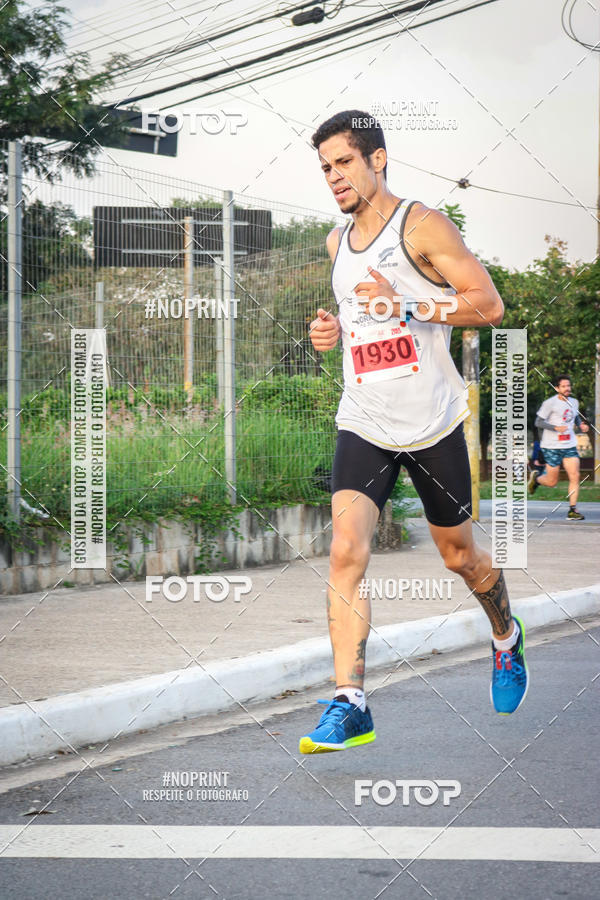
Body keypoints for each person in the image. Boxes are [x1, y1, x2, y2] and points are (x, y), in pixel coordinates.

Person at [299, 110, 528, 755]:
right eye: (324, 168)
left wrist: (401, 303)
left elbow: (487, 305)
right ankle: (351, 702)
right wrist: (333, 334)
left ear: (378, 160)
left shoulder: (422, 225)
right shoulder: (335, 243)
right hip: (365, 420)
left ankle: (505, 636)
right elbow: (359, 321)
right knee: (346, 550)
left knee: (460, 556)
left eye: (343, 162)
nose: (333, 177)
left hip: (432, 426)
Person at [528, 375, 590, 519]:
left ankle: (572, 510)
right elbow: (538, 422)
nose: (567, 388)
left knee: (575, 476)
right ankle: (536, 479)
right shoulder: (549, 403)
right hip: (551, 447)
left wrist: (580, 424)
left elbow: (574, 416)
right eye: (563, 386)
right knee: (551, 482)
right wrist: (555, 427)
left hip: (569, 445)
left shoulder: (574, 402)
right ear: (557, 388)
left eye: (568, 386)